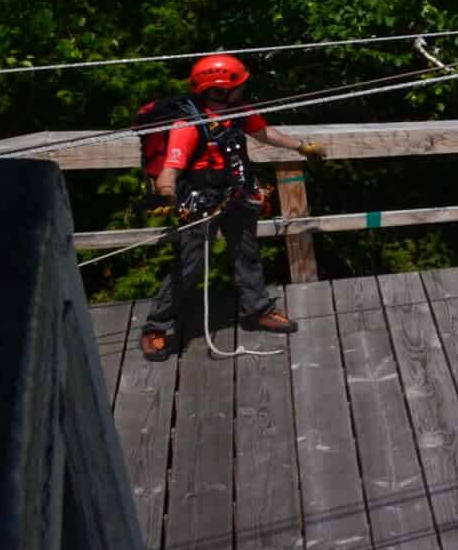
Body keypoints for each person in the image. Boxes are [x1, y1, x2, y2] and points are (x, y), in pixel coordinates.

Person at [137, 55, 328, 361]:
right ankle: (156, 327)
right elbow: (171, 168)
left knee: (246, 252)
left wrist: (300, 147)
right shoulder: (189, 124)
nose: (245, 89)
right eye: (239, 85)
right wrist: (166, 195)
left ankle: (257, 310)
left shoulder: (238, 112)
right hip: (201, 201)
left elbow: (264, 133)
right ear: (220, 90)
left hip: (237, 193)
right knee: (191, 265)